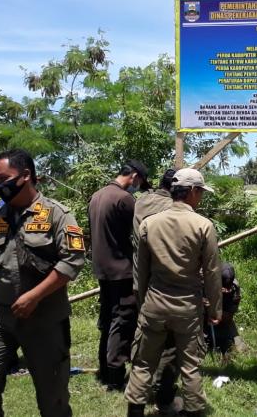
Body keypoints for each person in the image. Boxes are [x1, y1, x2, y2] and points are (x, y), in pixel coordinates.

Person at [0, 149, 86, 417]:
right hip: (0, 318)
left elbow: (71, 261)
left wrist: (34, 296)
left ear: (26, 175)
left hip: (45, 320)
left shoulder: (57, 214)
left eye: (3, 179)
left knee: (53, 397)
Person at [126, 168, 223, 417]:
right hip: (187, 307)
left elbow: (141, 272)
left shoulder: (149, 224)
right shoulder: (203, 225)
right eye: (200, 192)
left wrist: (143, 303)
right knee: (190, 365)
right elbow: (212, 273)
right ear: (191, 191)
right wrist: (215, 309)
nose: (200, 197)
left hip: (154, 303)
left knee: (143, 363)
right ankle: (193, 412)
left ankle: (135, 411)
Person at [88, 160, 149, 390]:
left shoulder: (97, 196)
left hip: (102, 270)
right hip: (121, 271)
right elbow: (141, 232)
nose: (138, 187)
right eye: (140, 182)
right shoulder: (124, 199)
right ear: (134, 176)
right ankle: (115, 376)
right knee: (121, 323)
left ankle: (104, 369)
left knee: (107, 319)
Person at [125, 168, 181, 414]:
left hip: (141, 281)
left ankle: (138, 398)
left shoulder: (142, 201)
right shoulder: (172, 210)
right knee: (170, 343)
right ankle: (163, 395)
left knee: (145, 339)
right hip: (166, 286)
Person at [205, 263, 245, 357]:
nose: (226, 290)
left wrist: (214, 310)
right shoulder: (205, 281)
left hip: (222, 319)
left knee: (240, 348)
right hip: (201, 320)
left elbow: (228, 318)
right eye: (223, 287)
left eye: (228, 288)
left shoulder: (234, 289)